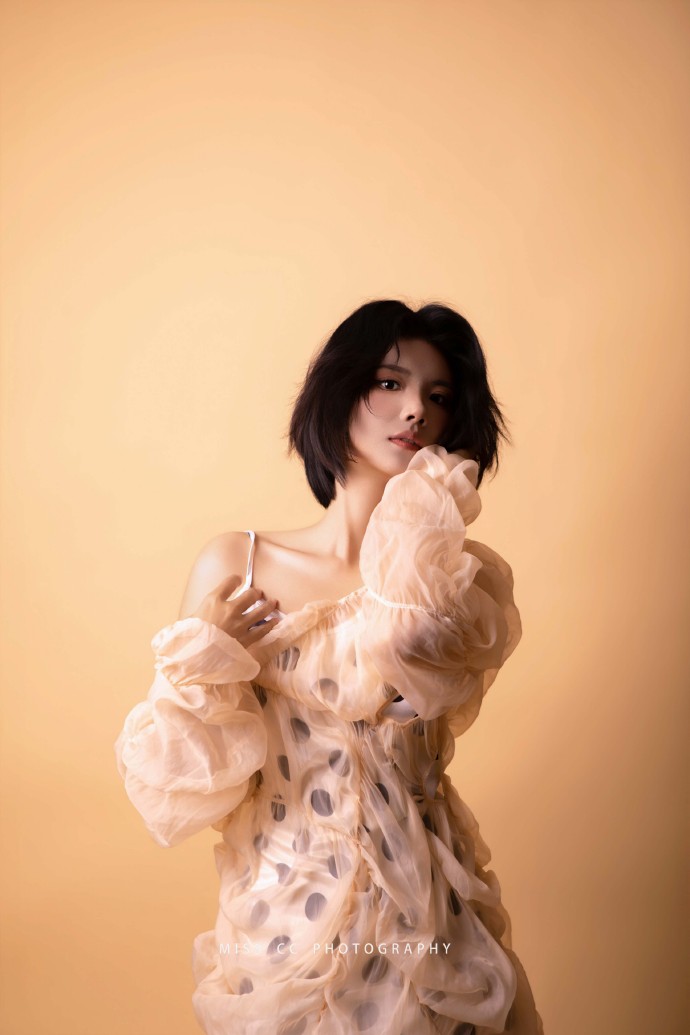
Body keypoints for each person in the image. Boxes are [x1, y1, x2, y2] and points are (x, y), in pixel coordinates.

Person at [114, 299, 545, 1035]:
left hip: (426, 920)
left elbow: (423, 697)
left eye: (439, 397)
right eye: (390, 383)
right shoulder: (240, 564)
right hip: (286, 916)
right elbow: (186, 778)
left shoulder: (451, 589)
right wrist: (204, 658)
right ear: (340, 389)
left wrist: (424, 531)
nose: (416, 410)